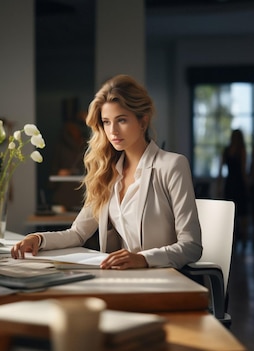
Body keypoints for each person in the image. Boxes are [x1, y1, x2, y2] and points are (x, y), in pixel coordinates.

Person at [11, 74, 202, 269]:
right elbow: (78, 233)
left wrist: (143, 259)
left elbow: (191, 246)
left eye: (122, 120)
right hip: (122, 278)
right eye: (106, 122)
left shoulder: (172, 166)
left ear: (143, 122)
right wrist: (38, 239)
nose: (113, 131)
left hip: (162, 279)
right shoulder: (107, 173)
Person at [218, 129, 249, 247]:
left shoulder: (227, 151)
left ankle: (233, 240)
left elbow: (220, 171)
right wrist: (247, 187)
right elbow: (243, 170)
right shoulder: (242, 151)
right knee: (242, 213)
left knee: (231, 214)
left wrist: (219, 186)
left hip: (230, 183)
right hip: (239, 183)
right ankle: (244, 239)